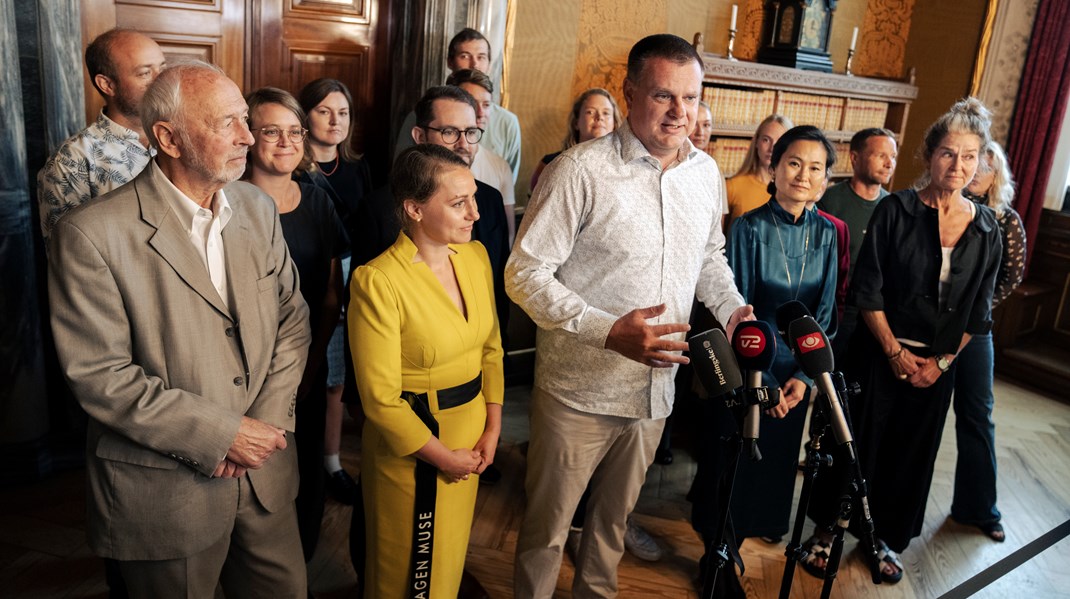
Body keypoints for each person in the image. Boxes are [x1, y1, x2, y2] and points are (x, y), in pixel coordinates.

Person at [47, 61, 311, 598]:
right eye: (226, 123)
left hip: (266, 474)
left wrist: (260, 428)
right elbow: (101, 376)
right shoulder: (90, 235)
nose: (247, 137)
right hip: (167, 495)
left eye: (245, 119)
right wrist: (223, 435)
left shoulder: (258, 208)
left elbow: (293, 319)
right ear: (168, 138)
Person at [507, 34, 752, 597]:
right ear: (630, 92)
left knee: (611, 529)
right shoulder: (579, 170)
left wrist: (732, 308)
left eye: (690, 97)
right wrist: (607, 331)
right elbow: (524, 274)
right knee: (547, 532)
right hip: (578, 392)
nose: (679, 112)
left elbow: (708, 257)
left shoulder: (705, 174)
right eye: (664, 95)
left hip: (654, 391)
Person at [803, 98, 1002, 584]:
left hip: (937, 365)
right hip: (878, 353)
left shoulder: (986, 229)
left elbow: (979, 313)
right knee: (856, 445)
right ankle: (827, 531)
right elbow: (867, 291)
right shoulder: (895, 211)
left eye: (969, 156)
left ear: (980, 162)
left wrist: (941, 363)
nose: (958, 166)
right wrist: (893, 351)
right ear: (929, 155)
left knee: (909, 455)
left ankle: (881, 538)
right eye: (948, 153)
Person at [348, 143, 504, 596]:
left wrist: (493, 426)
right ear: (414, 209)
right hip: (415, 447)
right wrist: (443, 458)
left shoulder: (474, 256)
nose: (475, 213)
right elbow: (379, 400)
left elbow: (492, 349)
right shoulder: (378, 281)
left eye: (473, 198)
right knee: (403, 576)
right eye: (458, 203)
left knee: (447, 565)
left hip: (471, 438)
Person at [243, 87, 348, 566]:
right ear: (248, 136)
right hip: (245, 368)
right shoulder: (226, 202)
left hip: (305, 360)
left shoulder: (318, 201)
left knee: (305, 468)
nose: (286, 142)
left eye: (294, 132)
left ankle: (299, 566)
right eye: (272, 131)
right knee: (253, 475)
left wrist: (311, 361)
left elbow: (330, 293)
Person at [720, 125, 840, 542]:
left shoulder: (827, 232)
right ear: (774, 167)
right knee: (739, 459)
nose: (803, 175)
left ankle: (766, 524)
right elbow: (739, 310)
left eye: (815, 168)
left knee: (780, 458)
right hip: (751, 364)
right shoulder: (748, 228)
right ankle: (725, 542)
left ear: (824, 179)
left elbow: (825, 314)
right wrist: (764, 380)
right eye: (794, 163)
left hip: (797, 372)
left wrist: (804, 378)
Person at [297, 77, 371, 504]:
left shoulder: (359, 168)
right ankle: (310, 461)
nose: (334, 121)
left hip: (354, 277)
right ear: (305, 117)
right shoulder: (293, 169)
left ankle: (333, 460)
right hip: (310, 279)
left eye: (342, 113)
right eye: (324, 111)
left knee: (340, 377)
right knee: (312, 373)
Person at [952, 140, 1025, 542]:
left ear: (997, 176)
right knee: (919, 415)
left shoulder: (1006, 219)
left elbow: (1012, 276)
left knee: (978, 413)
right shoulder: (945, 208)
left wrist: (974, 310)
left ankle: (978, 509)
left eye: (987, 167)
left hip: (977, 330)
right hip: (930, 326)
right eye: (974, 163)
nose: (978, 171)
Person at [37, 28, 166, 247]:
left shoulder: (182, 134)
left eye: (162, 68)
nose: (161, 81)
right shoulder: (70, 162)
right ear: (107, 84)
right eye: (145, 73)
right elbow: (68, 255)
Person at [395, 28, 522, 181]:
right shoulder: (420, 114)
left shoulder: (507, 122)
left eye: (481, 57)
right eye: (465, 56)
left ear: (489, 63)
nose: (474, 64)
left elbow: (508, 179)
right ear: (450, 62)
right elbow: (403, 169)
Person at [817, 128, 899, 352]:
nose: (889, 164)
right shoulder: (828, 201)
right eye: (881, 156)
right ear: (854, 158)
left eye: (893, 157)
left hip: (876, 314)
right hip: (834, 309)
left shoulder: (894, 208)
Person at [446, 68, 517, 244]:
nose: (480, 112)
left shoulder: (500, 167)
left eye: (486, 105)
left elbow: (507, 235)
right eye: (471, 102)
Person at [529, 87, 623, 192]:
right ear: (576, 123)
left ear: (614, 124)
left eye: (606, 113)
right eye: (590, 112)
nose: (599, 117)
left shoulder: (624, 168)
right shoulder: (550, 164)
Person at [725, 114, 793, 231]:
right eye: (766, 140)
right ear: (756, 142)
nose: (772, 148)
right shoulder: (732, 186)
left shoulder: (793, 191)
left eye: (779, 142)